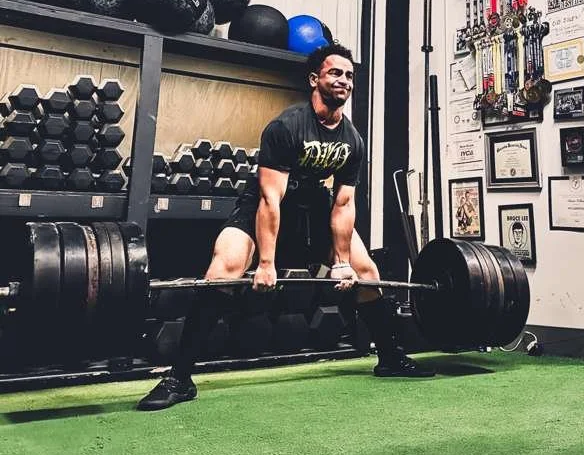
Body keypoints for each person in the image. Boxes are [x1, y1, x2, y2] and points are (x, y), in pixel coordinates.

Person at [137, 42, 434, 411]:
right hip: (266, 203)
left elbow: (342, 203)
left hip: (314, 209)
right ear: (315, 79)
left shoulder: (352, 141)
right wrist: (265, 263)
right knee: (224, 266)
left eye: (349, 75)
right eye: (334, 73)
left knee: (367, 271)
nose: (343, 81)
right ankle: (179, 378)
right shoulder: (286, 126)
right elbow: (269, 200)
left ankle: (390, 357)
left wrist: (341, 260)